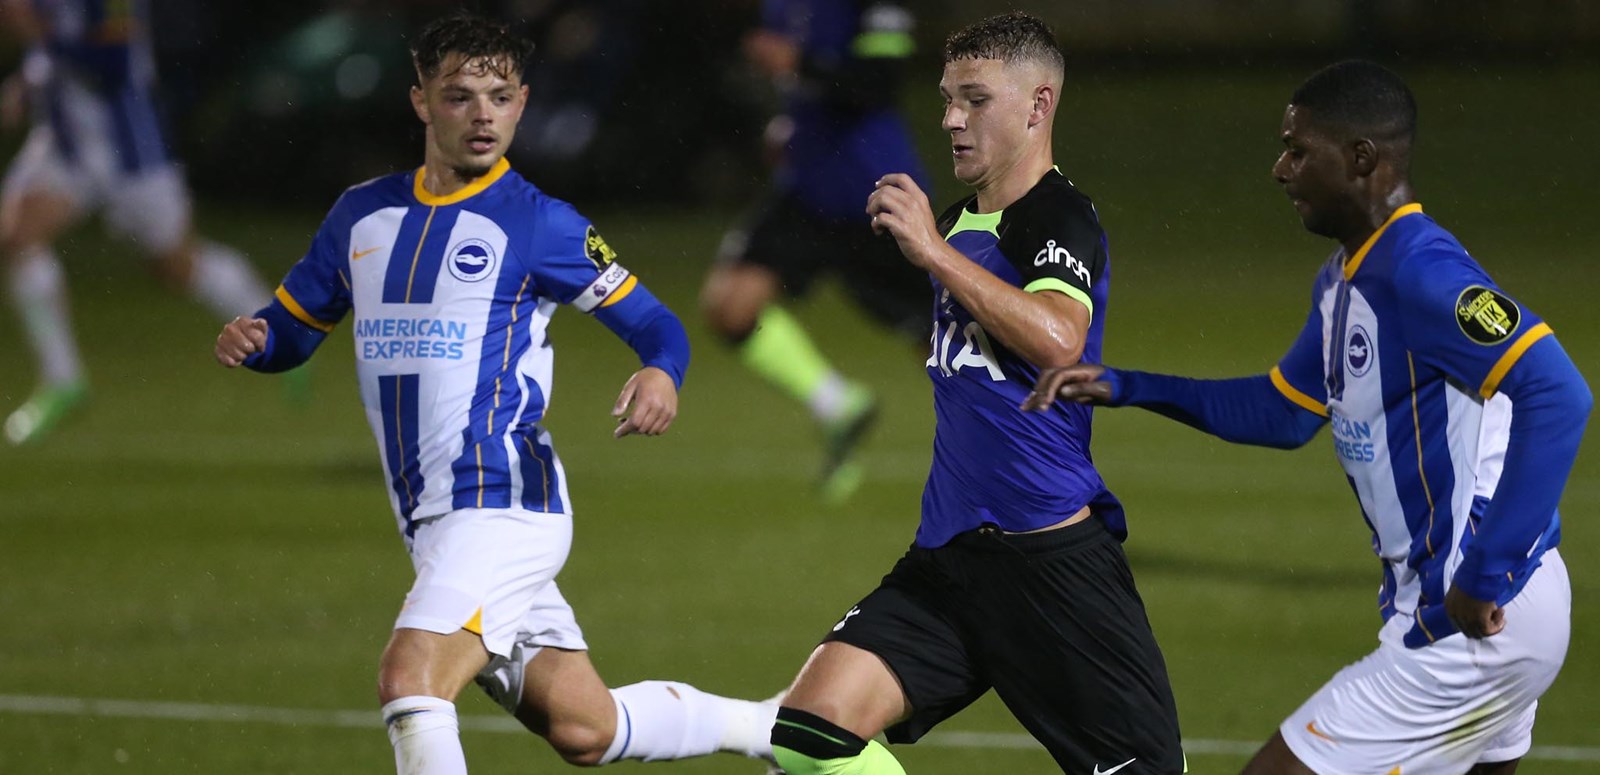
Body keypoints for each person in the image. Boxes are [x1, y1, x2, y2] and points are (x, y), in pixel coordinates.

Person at [213, 14, 776, 775]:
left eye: (501, 97)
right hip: (431, 520)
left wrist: (660, 372)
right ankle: (781, 729)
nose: (483, 115)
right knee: (584, 727)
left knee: (411, 681)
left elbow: (657, 324)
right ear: (421, 101)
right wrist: (255, 342)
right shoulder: (361, 216)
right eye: (460, 96)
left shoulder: (541, 223)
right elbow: (291, 332)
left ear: (522, 103)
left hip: (503, 502)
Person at [1025, 60, 1591, 775]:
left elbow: (1558, 394)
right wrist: (1129, 385)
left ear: (1361, 159)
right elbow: (1283, 411)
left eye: (1298, 151)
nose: (1280, 170)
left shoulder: (1419, 270)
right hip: (1490, 609)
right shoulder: (1345, 280)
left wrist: (1485, 572)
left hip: (1477, 611)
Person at [767, 13, 1184, 775]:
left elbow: (1059, 339)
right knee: (811, 731)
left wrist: (930, 252)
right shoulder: (956, 224)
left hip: (1053, 567)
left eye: (976, 99)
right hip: (951, 561)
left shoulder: (1057, 215)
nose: (952, 119)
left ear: (1038, 105)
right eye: (947, 99)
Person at [1, 0, 277, 445]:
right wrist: (29, 81)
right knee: (15, 236)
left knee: (176, 266)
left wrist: (36, 32)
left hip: (128, 153)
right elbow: (52, 50)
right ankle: (62, 379)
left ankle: (275, 330)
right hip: (67, 150)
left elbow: (111, 62)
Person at [699, 0, 929, 501]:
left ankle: (1017, 450)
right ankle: (837, 404)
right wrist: (787, 126)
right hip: (808, 191)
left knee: (943, 342)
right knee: (730, 304)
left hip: (877, 192)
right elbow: (800, 87)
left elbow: (878, 83)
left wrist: (800, 64)